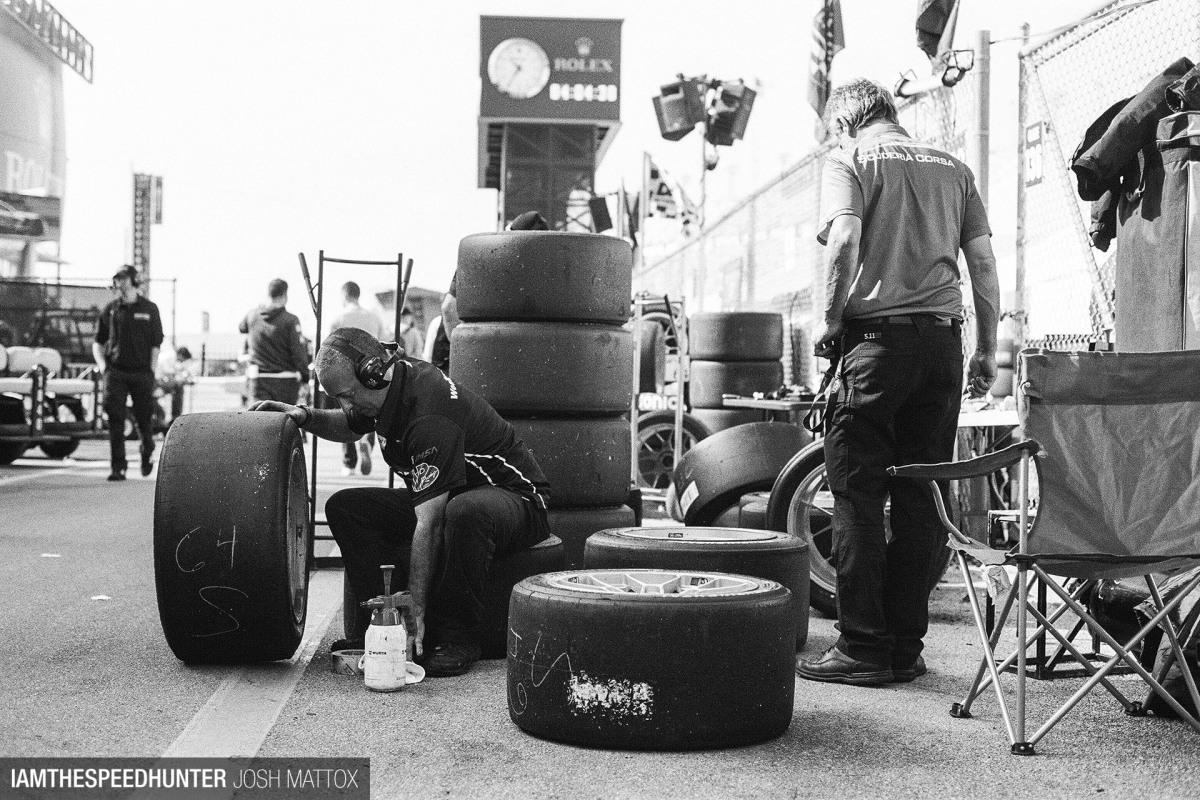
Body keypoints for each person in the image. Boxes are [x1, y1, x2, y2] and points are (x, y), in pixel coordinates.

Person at [795, 79, 999, 686]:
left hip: (875, 348)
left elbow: (846, 240)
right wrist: (985, 347)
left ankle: (862, 648)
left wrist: (829, 321)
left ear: (844, 124)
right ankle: (904, 647)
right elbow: (983, 263)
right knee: (920, 495)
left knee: (857, 493)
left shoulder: (848, 159)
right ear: (892, 115)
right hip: (942, 344)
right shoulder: (953, 168)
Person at [248, 327, 551, 677]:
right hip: (458, 493)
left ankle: (457, 638)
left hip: (519, 500)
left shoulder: (428, 414)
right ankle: (377, 625)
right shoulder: (387, 385)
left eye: (347, 395)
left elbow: (430, 523)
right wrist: (305, 416)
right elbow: (351, 425)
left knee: (464, 513)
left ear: (373, 374)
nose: (346, 406)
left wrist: (417, 608)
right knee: (347, 508)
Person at [429, 211, 549, 373]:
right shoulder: (545, 270)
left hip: (469, 360)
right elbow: (449, 309)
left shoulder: (482, 256)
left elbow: (449, 308)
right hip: (479, 361)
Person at [93, 265, 164, 481]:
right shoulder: (111, 309)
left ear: (134, 281)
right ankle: (118, 467)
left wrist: (152, 370)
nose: (120, 284)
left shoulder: (150, 309)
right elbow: (98, 342)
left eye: (123, 279)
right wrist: (103, 366)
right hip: (116, 372)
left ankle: (147, 449)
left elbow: (156, 344)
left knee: (144, 418)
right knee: (116, 419)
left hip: (142, 372)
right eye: (117, 279)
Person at [328, 281, 387, 476]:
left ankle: (349, 463)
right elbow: (384, 344)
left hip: (346, 372)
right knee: (371, 409)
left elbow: (328, 348)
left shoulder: (339, 318)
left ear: (344, 296)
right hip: (371, 370)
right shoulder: (374, 317)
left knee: (346, 413)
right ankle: (367, 443)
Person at [239, 279, 309, 405]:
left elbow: (242, 328)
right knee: (285, 421)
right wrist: (305, 377)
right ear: (285, 295)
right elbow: (298, 353)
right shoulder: (291, 320)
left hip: (258, 380)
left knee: (259, 421)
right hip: (286, 382)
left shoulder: (252, 315)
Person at [156, 345, 195, 421]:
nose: (181, 362)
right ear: (181, 355)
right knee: (178, 387)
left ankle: (175, 415)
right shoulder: (171, 357)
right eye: (183, 360)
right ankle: (176, 416)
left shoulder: (171, 355)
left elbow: (175, 372)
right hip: (157, 381)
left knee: (178, 386)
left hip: (159, 379)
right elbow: (170, 374)